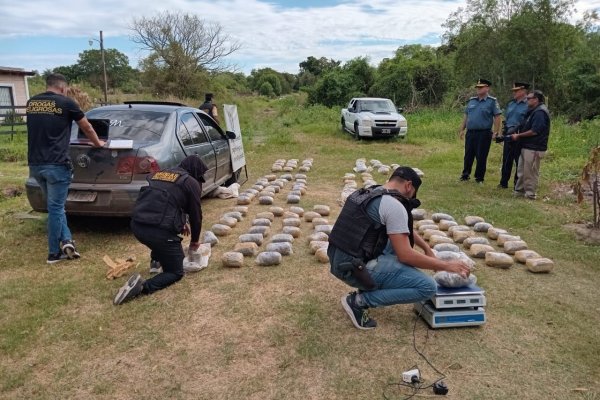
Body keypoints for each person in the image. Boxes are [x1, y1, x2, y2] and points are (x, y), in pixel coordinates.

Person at [328, 167, 471, 330]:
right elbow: (406, 256)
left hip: (339, 257)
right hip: (353, 267)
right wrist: (446, 266)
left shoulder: (373, 192)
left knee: (396, 243)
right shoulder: (394, 205)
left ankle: (378, 280)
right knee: (427, 287)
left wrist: (425, 247)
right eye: (413, 194)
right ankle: (359, 302)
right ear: (409, 186)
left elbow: (402, 228)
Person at [26, 73, 105, 264]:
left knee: (56, 208)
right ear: (63, 88)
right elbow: (87, 127)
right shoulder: (66, 102)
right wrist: (98, 143)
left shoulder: (32, 103)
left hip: (36, 165)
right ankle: (54, 253)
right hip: (57, 165)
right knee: (55, 208)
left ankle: (67, 240)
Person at [113, 155, 208, 305]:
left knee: (159, 239)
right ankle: (142, 287)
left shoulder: (161, 174)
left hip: (137, 225)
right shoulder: (191, 182)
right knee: (175, 271)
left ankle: (156, 261)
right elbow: (196, 216)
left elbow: (164, 199)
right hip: (158, 231)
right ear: (197, 171)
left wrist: (181, 220)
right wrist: (195, 241)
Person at [458, 79, 502, 184]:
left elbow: (497, 117)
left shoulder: (492, 101)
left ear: (487, 88)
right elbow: (466, 115)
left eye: (481, 87)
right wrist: (462, 129)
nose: (478, 89)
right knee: (468, 154)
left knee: (481, 156)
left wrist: (496, 132)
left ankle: (479, 178)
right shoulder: (472, 101)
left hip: (484, 133)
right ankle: (465, 175)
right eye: (477, 87)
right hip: (471, 132)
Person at [510, 90, 551, 200]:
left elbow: (535, 131)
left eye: (529, 98)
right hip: (526, 145)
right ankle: (519, 191)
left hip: (535, 147)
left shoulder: (540, 112)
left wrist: (519, 136)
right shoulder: (532, 110)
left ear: (536, 99)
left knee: (530, 172)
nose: (526, 100)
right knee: (521, 170)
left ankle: (530, 194)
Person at [497, 82, 530, 189]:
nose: (514, 93)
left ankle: (517, 184)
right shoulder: (511, 104)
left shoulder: (528, 105)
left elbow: (528, 122)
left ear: (524, 91)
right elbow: (506, 119)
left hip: (520, 136)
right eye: (514, 91)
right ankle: (503, 183)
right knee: (506, 159)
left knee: (519, 161)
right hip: (508, 134)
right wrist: (502, 132)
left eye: (516, 91)